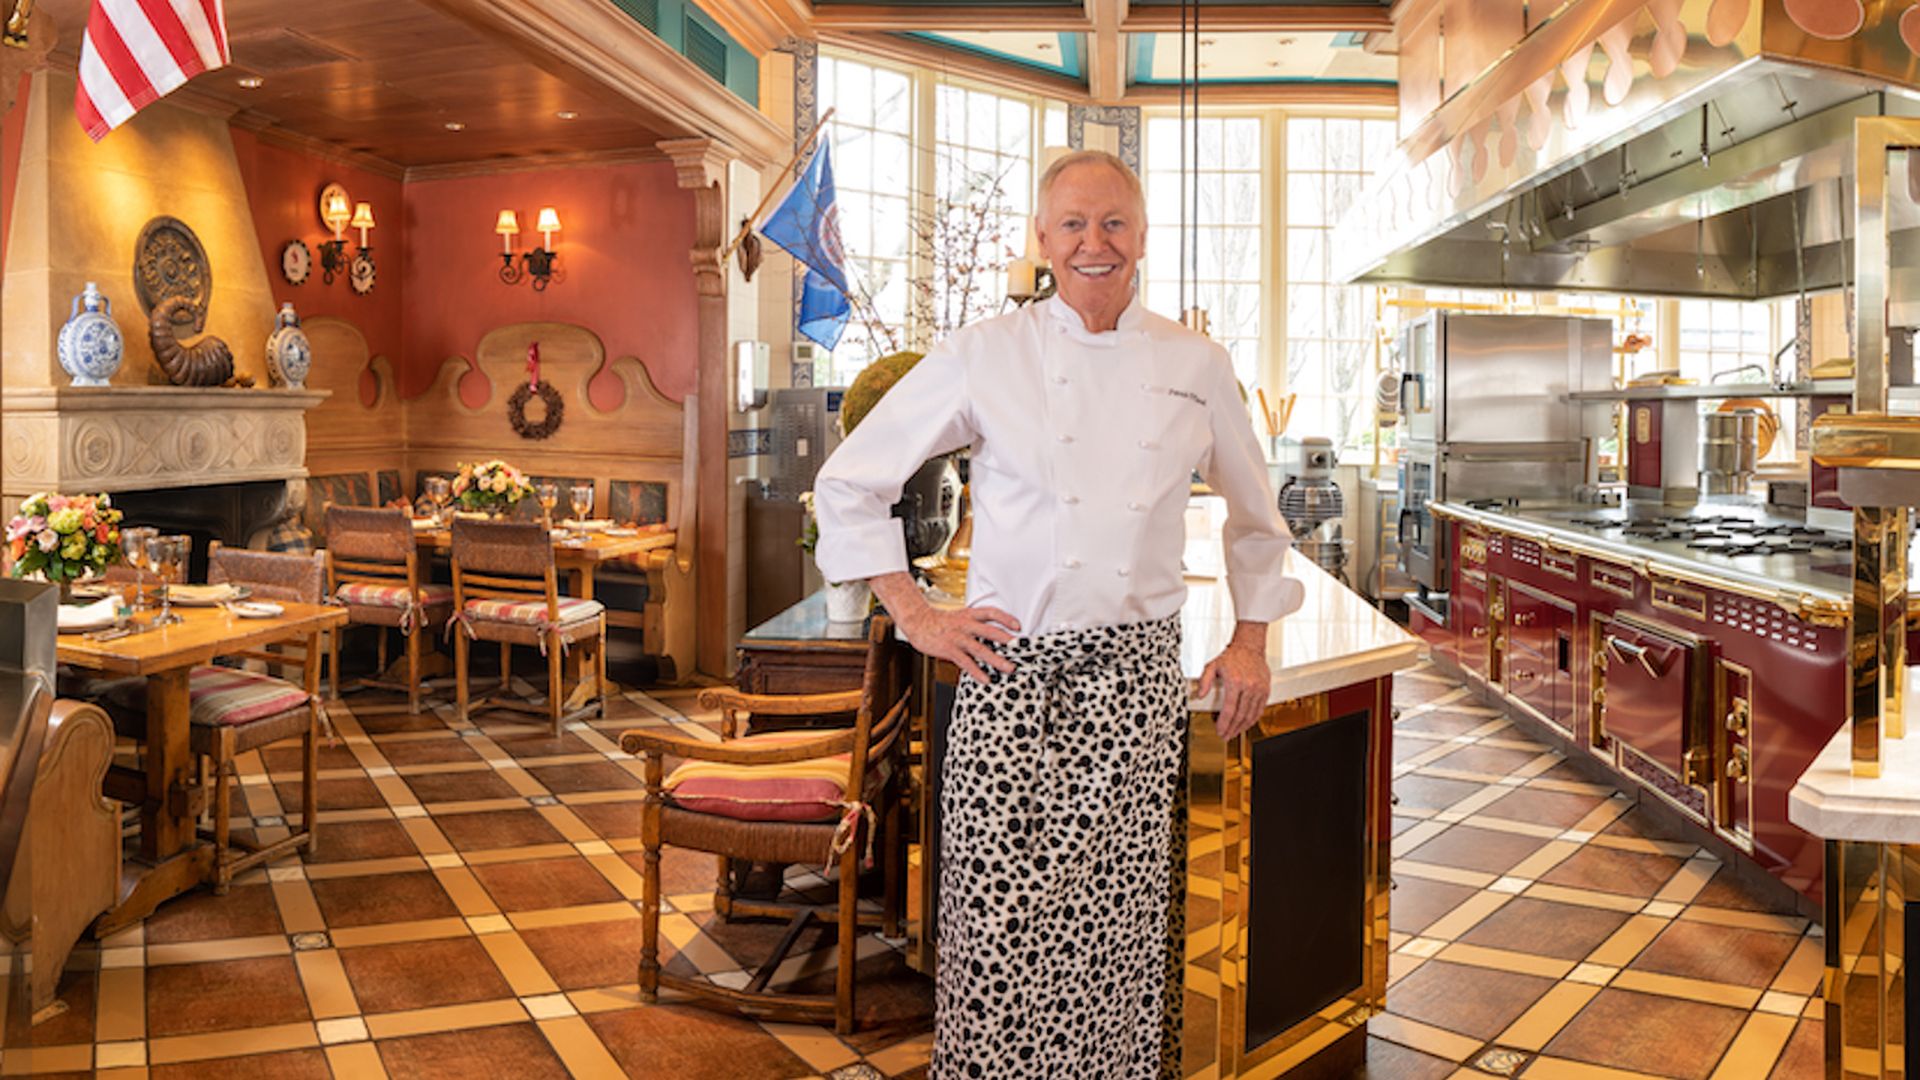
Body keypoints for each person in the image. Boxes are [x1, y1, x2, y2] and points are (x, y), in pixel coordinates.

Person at [812, 149, 1303, 1079]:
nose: (1094, 243)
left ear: (1143, 238)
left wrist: (1249, 641)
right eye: (1073, 224)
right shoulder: (984, 354)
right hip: (1011, 689)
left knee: (1115, 949)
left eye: (1114, 223)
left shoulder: (1198, 364)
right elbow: (851, 480)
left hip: (1132, 702)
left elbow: (1256, 517)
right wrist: (917, 614)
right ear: (1041, 240)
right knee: (999, 945)